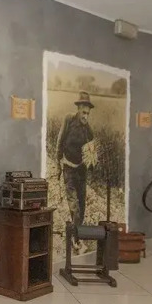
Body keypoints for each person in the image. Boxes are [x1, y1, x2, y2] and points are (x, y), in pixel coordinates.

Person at [56, 91, 97, 227]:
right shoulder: (69, 120)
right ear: (78, 109)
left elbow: (92, 152)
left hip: (81, 170)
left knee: (82, 202)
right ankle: (75, 232)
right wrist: (58, 165)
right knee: (74, 203)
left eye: (88, 114)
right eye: (83, 112)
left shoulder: (88, 130)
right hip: (68, 167)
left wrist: (92, 164)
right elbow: (60, 141)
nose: (85, 116)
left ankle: (78, 230)